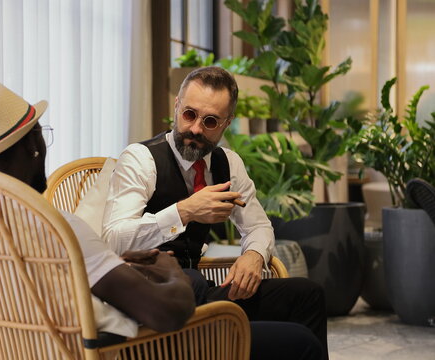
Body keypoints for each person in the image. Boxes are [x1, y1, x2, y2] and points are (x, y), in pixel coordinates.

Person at [102, 66, 328, 359]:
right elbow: (113, 240)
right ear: (176, 107)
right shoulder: (142, 160)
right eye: (189, 114)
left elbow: (259, 226)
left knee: (307, 295)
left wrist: (254, 256)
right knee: (294, 340)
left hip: (198, 297)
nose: (195, 128)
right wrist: (184, 212)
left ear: (226, 123)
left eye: (210, 121)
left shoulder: (228, 165)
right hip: (153, 307)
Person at [0, 81, 195, 339]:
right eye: (41, 133)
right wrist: (171, 269)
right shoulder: (55, 228)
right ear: (32, 145)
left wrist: (99, 265)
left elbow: (16, 286)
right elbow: (168, 312)